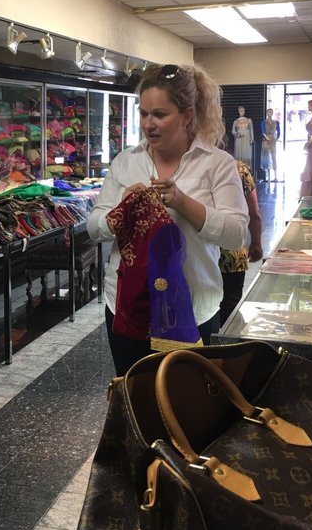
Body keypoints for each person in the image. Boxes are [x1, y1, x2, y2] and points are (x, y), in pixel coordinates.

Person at [88, 63, 249, 376]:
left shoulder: (217, 164)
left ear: (186, 116)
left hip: (193, 310)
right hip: (128, 309)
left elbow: (236, 235)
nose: (148, 124)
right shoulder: (126, 162)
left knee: (188, 400)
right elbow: (95, 228)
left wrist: (182, 202)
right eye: (143, 114)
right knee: (133, 395)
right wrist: (120, 211)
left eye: (160, 115)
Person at [218, 160, 263, 326]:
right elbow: (254, 213)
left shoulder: (188, 166)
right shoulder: (238, 169)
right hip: (231, 255)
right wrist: (256, 243)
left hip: (200, 254)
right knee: (229, 312)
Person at [259, 108, 280, 181]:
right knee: (266, 157)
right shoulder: (263, 122)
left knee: (274, 157)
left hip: (273, 140)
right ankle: (268, 176)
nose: (270, 113)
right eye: (269, 112)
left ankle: (275, 176)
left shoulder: (276, 122)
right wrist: (267, 138)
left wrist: (276, 138)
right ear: (267, 113)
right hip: (266, 140)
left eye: (271, 112)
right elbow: (263, 132)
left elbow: (278, 131)